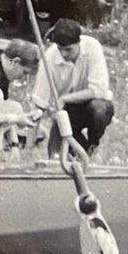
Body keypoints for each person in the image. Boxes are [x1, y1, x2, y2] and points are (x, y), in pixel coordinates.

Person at [31, 19, 114, 155]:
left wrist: (64, 98)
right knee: (55, 155)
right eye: (60, 49)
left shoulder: (93, 47)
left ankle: (93, 145)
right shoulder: (50, 57)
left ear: (79, 42)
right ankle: (79, 147)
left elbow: (99, 90)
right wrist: (30, 145)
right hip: (67, 112)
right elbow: (39, 103)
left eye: (68, 49)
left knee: (98, 109)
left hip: (93, 104)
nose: (63, 54)